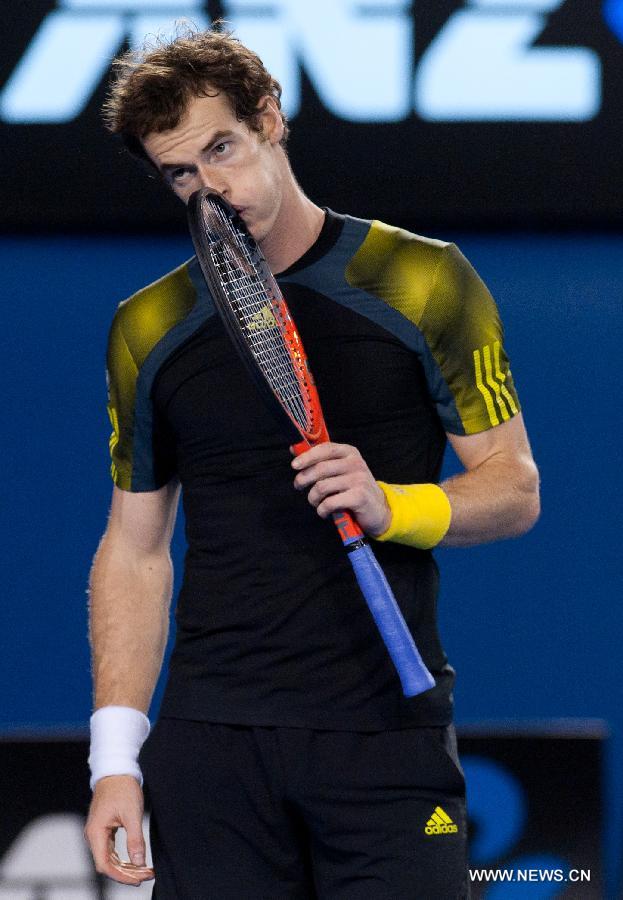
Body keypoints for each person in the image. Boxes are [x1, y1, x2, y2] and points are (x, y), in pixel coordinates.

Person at [84, 25, 540, 899]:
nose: (209, 187)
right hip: (211, 748)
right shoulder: (145, 328)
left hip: (389, 741)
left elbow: (514, 488)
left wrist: (392, 506)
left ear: (271, 119)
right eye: (181, 173)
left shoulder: (425, 280)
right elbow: (135, 549)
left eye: (222, 147)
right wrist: (114, 759)